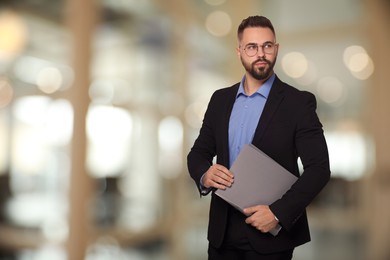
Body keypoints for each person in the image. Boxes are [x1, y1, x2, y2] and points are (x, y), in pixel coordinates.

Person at [187, 15, 330, 260]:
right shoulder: (220, 100)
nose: (260, 53)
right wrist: (204, 174)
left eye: (267, 45)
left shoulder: (298, 103)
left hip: (270, 235)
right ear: (239, 51)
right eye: (251, 47)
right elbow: (198, 153)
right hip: (221, 232)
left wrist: (277, 213)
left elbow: (319, 169)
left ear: (276, 48)